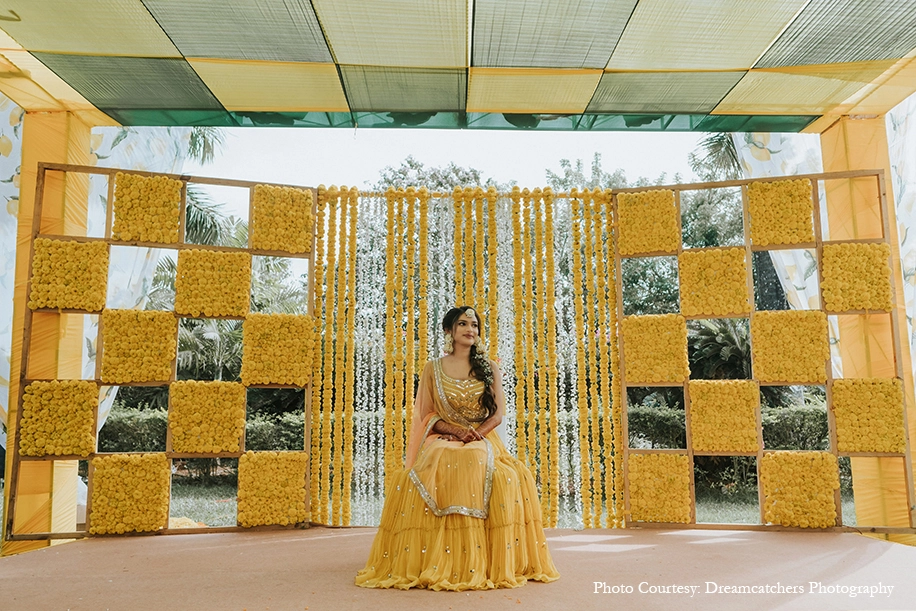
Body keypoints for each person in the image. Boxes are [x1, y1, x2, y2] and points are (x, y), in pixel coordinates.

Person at [356, 306, 559, 590]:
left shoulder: (489, 368)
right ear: (449, 330)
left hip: (482, 439)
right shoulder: (433, 369)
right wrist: (454, 431)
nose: (470, 329)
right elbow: (425, 414)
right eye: (463, 323)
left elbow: (498, 414)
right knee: (441, 455)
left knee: (494, 468)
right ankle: (439, 560)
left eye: (474, 325)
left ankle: (479, 562)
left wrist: (473, 435)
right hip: (443, 437)